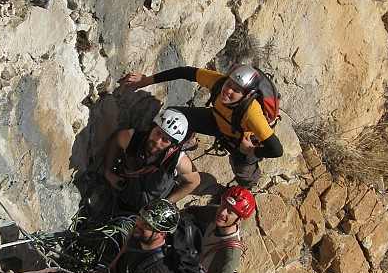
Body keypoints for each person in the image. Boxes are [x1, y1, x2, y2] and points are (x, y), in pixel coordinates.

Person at [121, 65, 283, 188]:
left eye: (236, 90)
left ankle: (246, 187)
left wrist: (252, 150)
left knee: (243, 172)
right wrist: (146, 80)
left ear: (247, 95)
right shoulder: (219, 82)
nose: (227, 91)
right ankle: (190, 141)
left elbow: (276, 149)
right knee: (175, 115)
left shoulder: (252, 113)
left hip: (239, 143)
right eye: (229, 84)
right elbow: (185, 72)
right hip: (216, 121)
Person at [104, 108, 200, 213]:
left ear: (172, 145)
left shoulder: (177, 161)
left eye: (165, 140)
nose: (157, 141)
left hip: (151, 214)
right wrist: (108, 172)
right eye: (157, 133)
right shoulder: (133, 140)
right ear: (152, 128)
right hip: (126, 203)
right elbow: (117, 139)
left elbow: (194, 181)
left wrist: (167, 202)